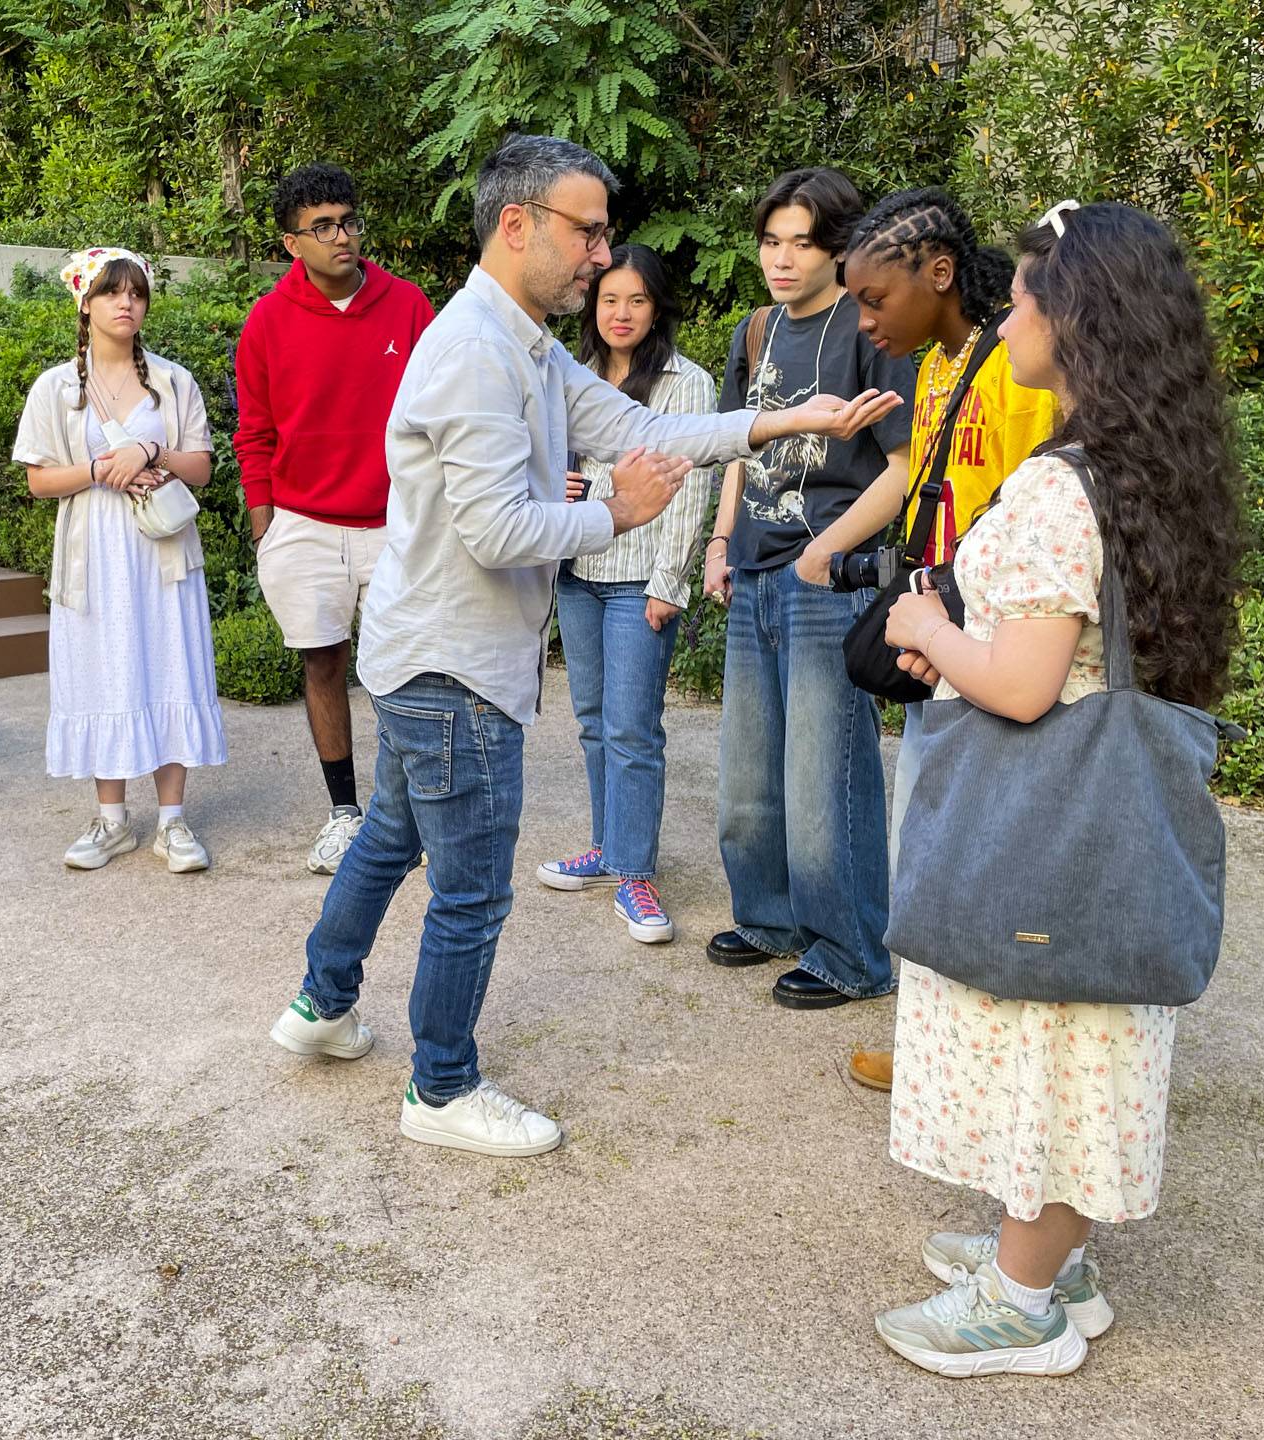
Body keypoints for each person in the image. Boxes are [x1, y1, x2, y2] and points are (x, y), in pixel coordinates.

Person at [266, 135, 901, 1158]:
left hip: (433, 653)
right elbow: (498, 529)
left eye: (604, 233)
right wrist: (616, 511)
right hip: (454, 664)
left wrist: (773, 429)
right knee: (469, 889)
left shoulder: (519, 340)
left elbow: (620, 417)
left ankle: (321, 1003)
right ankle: (441, 1087)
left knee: (392, 837)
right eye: (588, 231)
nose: (602, 257)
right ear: (517, 225)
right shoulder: (476, 350)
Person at [872, 201, 1241, 1376]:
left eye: (1027, 294)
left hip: (1043, 810)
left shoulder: (1059, 484)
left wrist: (931, 622)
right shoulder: (1159, 463)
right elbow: (1083, 654)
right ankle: (1052, 1258)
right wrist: (975, 643)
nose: (1010, 310)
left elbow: (1026, 687)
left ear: (1075, 318)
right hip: (1111, 814)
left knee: (1042, 1035)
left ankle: (1019, 1306)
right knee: (1078, 1036)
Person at [832, 187, 1059, 1087]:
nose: (866, 318)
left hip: (992, 646)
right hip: (940, 639)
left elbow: (1038, 508)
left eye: (875, 299)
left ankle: (959, 1048)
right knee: (922, 844)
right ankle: (931, 1036)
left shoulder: (1015, 368)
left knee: (965, 851)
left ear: (939, 272)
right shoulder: (931, 368)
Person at [700, 168, 915, 1010]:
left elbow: (901, 470)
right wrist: (720, 542)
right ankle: (770, 918)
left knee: (827, 770)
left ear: (840, 249)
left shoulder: (870, 332)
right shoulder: (755, 332)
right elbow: (738, 446)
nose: (782, 260)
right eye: (771, 241)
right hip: (752, 567)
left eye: (803, 243)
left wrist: (823, 552)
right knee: (750, 768)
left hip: (827, 577)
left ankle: (853, 953)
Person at [235, 163, 436, 873]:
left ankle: (406, 815)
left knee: (406, 669)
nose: (341, 236)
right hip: (302, 525)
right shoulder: (267, 320)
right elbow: (254, 431)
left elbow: (443, 411)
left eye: (348, 220)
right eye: (321, 226)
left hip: (397, 523)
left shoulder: (408, 304)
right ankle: (344, 812)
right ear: (293, 242)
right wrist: (266, 528)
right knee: (324, 662)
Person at [15, 247, 225, 872]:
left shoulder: (172, 381)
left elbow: (203, 467)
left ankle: (172, 822)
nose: (126, 303)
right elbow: (37, 480)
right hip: (93, 553)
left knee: (169, 664)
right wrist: (100, 469)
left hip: (161, 553)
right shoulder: (56, 388)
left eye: (136, 293)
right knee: (101, 669)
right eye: (111, 293)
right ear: (85, 303)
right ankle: (112, 820)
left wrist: (152, 448)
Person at [537, 244, 717, 944]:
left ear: (657, 307)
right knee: (590, 719)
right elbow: (549, 466)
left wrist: (672, 581)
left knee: (633, 728)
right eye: (610, 299)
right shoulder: (572, 376)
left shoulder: (685, 384)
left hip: (642, 577)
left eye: (636, 300)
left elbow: (691, 483)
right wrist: (561, 487)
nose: (620, 313)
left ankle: (635, 872)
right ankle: (610, 845)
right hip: (581, 569)